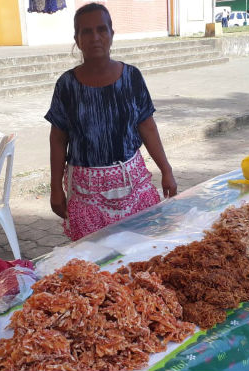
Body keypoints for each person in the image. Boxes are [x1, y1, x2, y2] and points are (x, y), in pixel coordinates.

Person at [45, 3, 177, 241]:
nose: (95, 37)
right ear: (77, 38)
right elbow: (57, 139)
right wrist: (55, 188)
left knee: (142, 251)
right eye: (86, 31)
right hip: (86, 194)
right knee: (97, 261)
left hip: (133, 186)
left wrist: (166, 170)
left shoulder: (132, 77)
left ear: (112, 34)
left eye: (101, 29)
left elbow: (147, 127)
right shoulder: (67, 85)